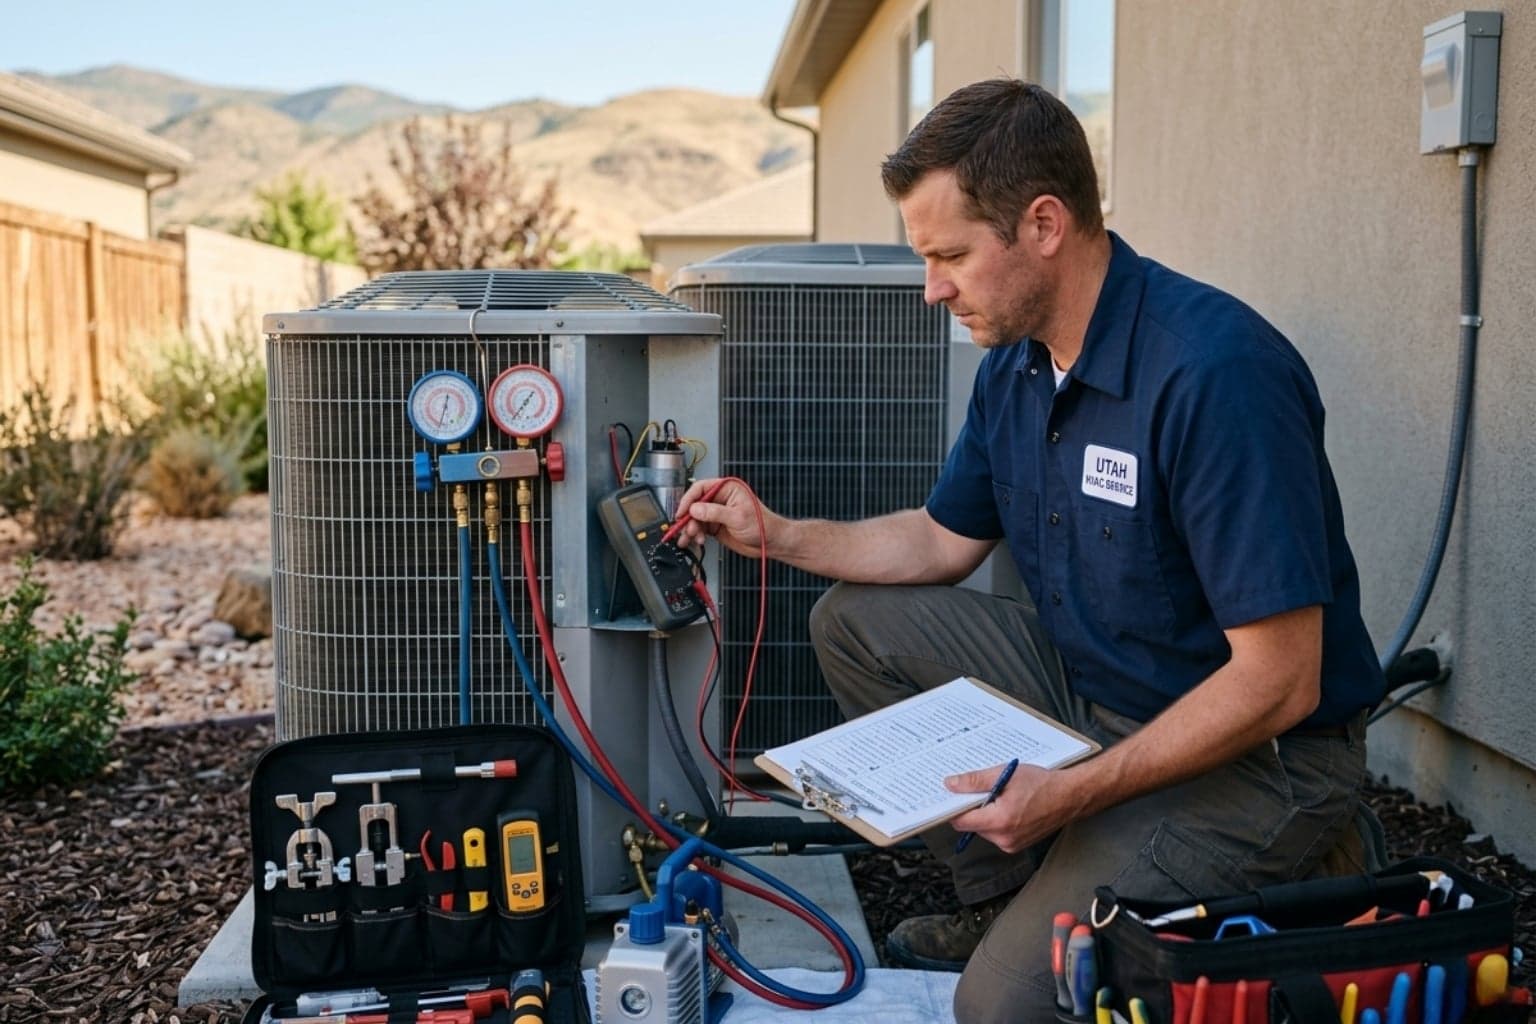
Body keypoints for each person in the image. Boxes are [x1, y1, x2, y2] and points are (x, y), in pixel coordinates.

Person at [674, 78, 1384, 1022]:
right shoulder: (1016, 364)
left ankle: (1306, 856)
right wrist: (779, 536)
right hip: (1099, 695)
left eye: (952, 256)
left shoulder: (1216, 376)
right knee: (854, 623)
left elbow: (1282, 682)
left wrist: (1075, 791)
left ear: (1044, 224)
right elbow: (938, 541)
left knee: (997, 1009)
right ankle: (1012, 890)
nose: (933, 290)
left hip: (1259, 758)